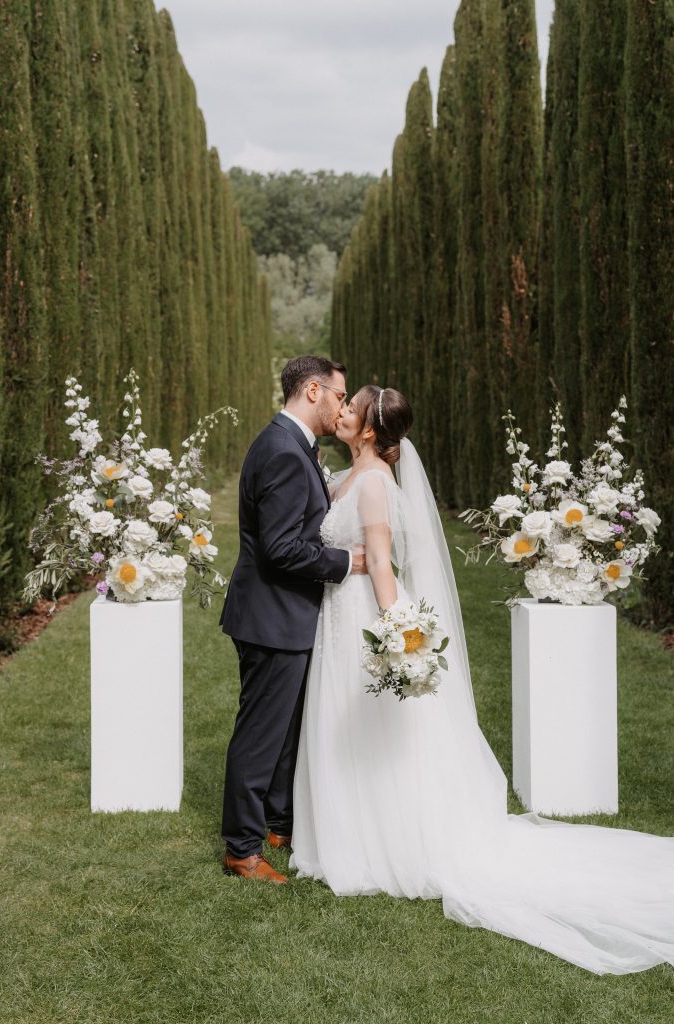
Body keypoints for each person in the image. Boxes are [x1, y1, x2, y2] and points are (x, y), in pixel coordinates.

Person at [290, 383, 674, 976]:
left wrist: (398, 636)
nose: (340, 410)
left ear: (368, 430)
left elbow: (383, 565)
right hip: (340, 614)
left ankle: (375, 844)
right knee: (353, 726)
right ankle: (346, 832)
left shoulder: (370, 485)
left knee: (370, 727)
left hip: (365, 615)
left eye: (352, 406)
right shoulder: (349, 475)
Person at [219, 356, 366, 883]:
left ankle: (279, 823)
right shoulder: (282, 450)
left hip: (283, 615)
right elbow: (282, 549)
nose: (343, 405)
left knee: (285, 732)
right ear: (312, 390)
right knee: (260, 736)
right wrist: (349, 563)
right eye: (339, 395)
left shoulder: (291, 445)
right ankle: (242, 850)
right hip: (271, 617)